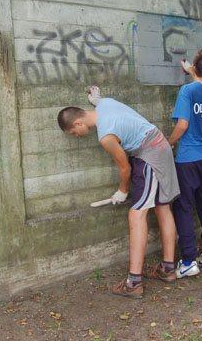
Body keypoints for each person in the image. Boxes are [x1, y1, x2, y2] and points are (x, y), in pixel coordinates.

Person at [57, 90, 179, 298]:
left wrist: (122, 191)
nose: (76, 136)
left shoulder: (105, 136)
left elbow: (125, 168)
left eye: (73, 132)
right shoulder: (104, 104)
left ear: (78, 123)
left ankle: (134, 282)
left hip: (150, 155)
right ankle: (167, 269)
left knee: (136, 214)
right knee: (162, 206)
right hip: (160, 146)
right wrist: (95, 98)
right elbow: (99, 100)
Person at [168, 49, 202, 278]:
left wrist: (169, 142)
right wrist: (192, 69)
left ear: (196, 68)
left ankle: (189, 260)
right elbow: (201, 83)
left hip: (189, 158)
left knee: (183, 207)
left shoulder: (187, 91)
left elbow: (182, 124)